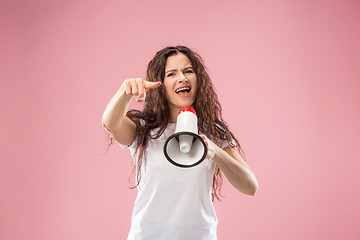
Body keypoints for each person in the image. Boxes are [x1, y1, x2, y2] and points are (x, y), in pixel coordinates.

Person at [102, 46, 258, 240]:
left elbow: (250, 186)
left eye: (188, 71)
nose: (182, 78)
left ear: (198, 79)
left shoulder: (214, 133)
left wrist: (216, 152)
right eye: (171, 74)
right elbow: (110, 122)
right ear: (160, 84)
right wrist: (125, 92)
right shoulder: (144, 130)